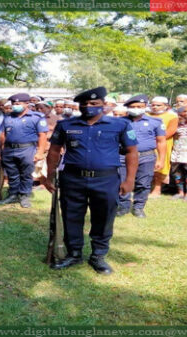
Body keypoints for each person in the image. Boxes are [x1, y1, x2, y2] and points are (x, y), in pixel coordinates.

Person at [44, 87, 138, 274]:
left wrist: (130, 180)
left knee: (103, 218)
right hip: (72, 179)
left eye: (94, 104)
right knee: (71, 216)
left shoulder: (120, 125)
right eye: (85, 104)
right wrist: (49, 176)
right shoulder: (66, 125)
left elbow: (131, 152)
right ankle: (74, 253)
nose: (89, 107)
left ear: (104, 105)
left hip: (106, 180)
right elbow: (54, 151)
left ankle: (98, 256)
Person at [0, 93, 48, 208]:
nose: (15, 105)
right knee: (12, 173)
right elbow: (2, 134)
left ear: (27, 104)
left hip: (27, 149)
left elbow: (42, 135)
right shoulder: (8, 117)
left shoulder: (36, 117)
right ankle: (13, 194)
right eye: (14, 104)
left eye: (18, 103)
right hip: (9, 149)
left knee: (26, 174)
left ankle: (24, 195)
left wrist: (40, 152)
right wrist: (0, 149)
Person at [117, 95, 166, 218]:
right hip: (124, 156)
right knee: (122, 181)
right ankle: (123, 206)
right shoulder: (120, 122)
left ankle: (139, 207)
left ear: (145, 107)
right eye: (133, 107)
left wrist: (161, 159)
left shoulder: (155, 122)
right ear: (128, 108)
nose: (136, 109)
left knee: (143, 183)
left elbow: (161, 141)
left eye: (139, 106)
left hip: (146, 157)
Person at [148, 97, 178, 197]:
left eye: (158, 105)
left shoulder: (172, 116)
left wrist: (155, 139)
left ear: (166, 106)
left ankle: (157, 189)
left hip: (163, 143)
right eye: (153, 105)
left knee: (160, 166)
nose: (155, 107)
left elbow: (170, 131)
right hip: (147, 144)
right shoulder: (146, 115)